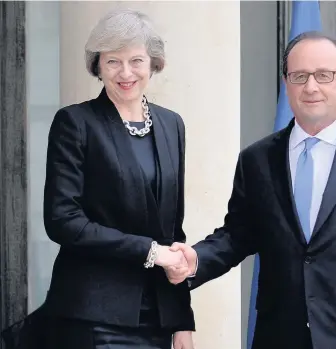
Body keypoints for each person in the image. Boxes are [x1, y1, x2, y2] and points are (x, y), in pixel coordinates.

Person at [167, 31, 336, 349]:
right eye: (299, 76)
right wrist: (196, 260)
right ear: (287, 84)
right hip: (278, 334)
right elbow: (237, 236)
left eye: (323, 75)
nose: (311, 86)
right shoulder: (257, 159)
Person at [42, 8, 194, 349]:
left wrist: (182, 319)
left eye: (136, 60)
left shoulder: (172, 125)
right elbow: (62, 221)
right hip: (94, 316)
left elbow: (173, 231)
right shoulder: (75, 123)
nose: (126, 72)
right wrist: (150, 251)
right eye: (113, 61)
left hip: (156, 317)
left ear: (154, 63)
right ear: (97, 65)